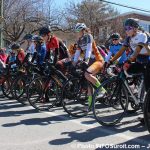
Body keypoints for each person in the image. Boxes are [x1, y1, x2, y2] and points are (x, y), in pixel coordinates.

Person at [109, 18, 150, 124]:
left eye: (129, 28)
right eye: (125, 28)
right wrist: (110, 61)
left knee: (148, 88)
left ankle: (147, 113)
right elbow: (121, 51)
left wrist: (130, 59)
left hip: (148, 62)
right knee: (124, 69)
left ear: (135, 28)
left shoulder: (142, 35)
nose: (126, 30)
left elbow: (137, 50)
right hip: (140, 63)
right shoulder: (128, 39)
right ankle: (134, 91)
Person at [73, 23, 105, 107]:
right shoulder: (79, 40)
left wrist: (86, 60)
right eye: (76, 31)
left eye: (78, 31)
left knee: (87, 74)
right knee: (88, 83)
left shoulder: (88, 36)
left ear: (83, 30)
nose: (77, 32)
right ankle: (90, 105)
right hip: (90, 63)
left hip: (98, 60)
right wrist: (73, 63)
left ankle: (102, 90)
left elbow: (89, 50)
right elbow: (77, 53)